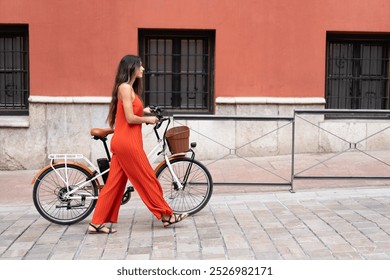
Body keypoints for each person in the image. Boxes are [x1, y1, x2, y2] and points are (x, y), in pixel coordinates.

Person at [87, 54, 188, 234]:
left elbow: (133, 110)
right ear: (132, 68)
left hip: (126, 142)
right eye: (140, 66)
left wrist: (146, 110)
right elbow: (130, 118)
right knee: (148, 179)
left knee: (114, 185)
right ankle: (166, 215)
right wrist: (147, 120)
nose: (143, 69)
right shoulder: (125, 88)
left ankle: (96, 223)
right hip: (127, 143)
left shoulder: (129, 88)